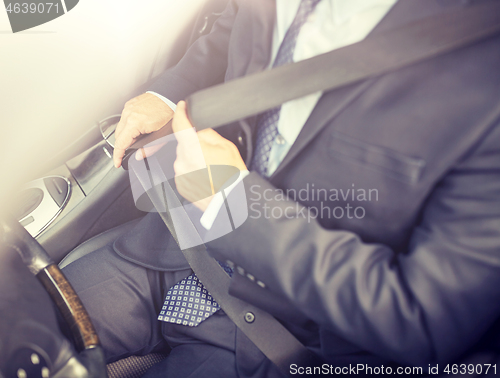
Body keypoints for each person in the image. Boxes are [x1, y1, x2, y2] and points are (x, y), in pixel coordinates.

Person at [61, 0, 500, 376]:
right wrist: (165, 94)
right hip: (175, 246)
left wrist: (235, 204)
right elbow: (236, 23)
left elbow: (419, 321)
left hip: (287, 334)